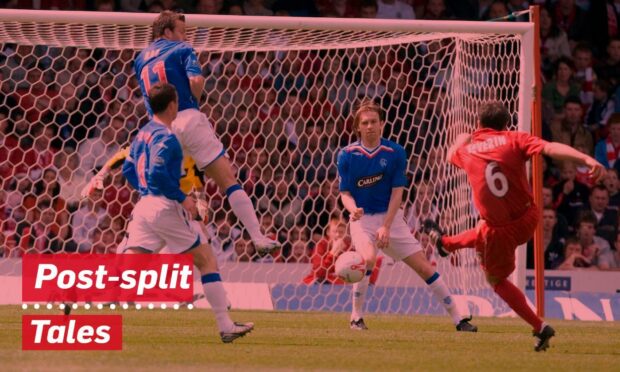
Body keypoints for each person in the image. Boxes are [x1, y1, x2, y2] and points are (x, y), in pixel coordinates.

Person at [427, 101, 605, 351]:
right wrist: (585, 158)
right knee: (482, 227)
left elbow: (449, 155)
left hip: (501, 232)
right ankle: (446, 244)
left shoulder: (469, 151)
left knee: (495, 279)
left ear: (479, 125)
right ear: (506, 124)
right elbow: (551, 148)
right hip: (530, 217)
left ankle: (540, 327)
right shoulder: (514, 138)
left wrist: (461, 138)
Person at [133, 11, 278, 254]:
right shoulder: (181, 49)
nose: (184, 37)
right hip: (188, 116)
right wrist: (194, 101)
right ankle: (257, 236)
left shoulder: (139, 59)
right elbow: (197, 82)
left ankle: (137, 252)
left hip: (162, 128)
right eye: (181, 31)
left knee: (163, 198)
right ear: (167, 32)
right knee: (228, 181)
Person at [120, 82, 253, 343]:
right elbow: (158, 172)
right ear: (173, 105)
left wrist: (144, 189)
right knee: (206, 260)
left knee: (128, 269)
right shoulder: (167, 138)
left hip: (145, 204)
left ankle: (74, 294)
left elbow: (127, 169)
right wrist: (183, 199)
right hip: (163, 206)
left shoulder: (143, 132)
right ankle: (225, 326)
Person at [337, 99, 477, 332]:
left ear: (382, 124)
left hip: (391, 218)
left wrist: (387, 225)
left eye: (374, 121)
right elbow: (344, 193)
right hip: (362, 220)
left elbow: (397, 193)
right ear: (357, 127)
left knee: (424, 267)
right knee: (368, 259)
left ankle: (458, 319)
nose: (370, 126)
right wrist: (353, 210)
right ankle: (356, 317)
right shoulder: (347, 155)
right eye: (365, 123)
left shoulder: (395, 153)